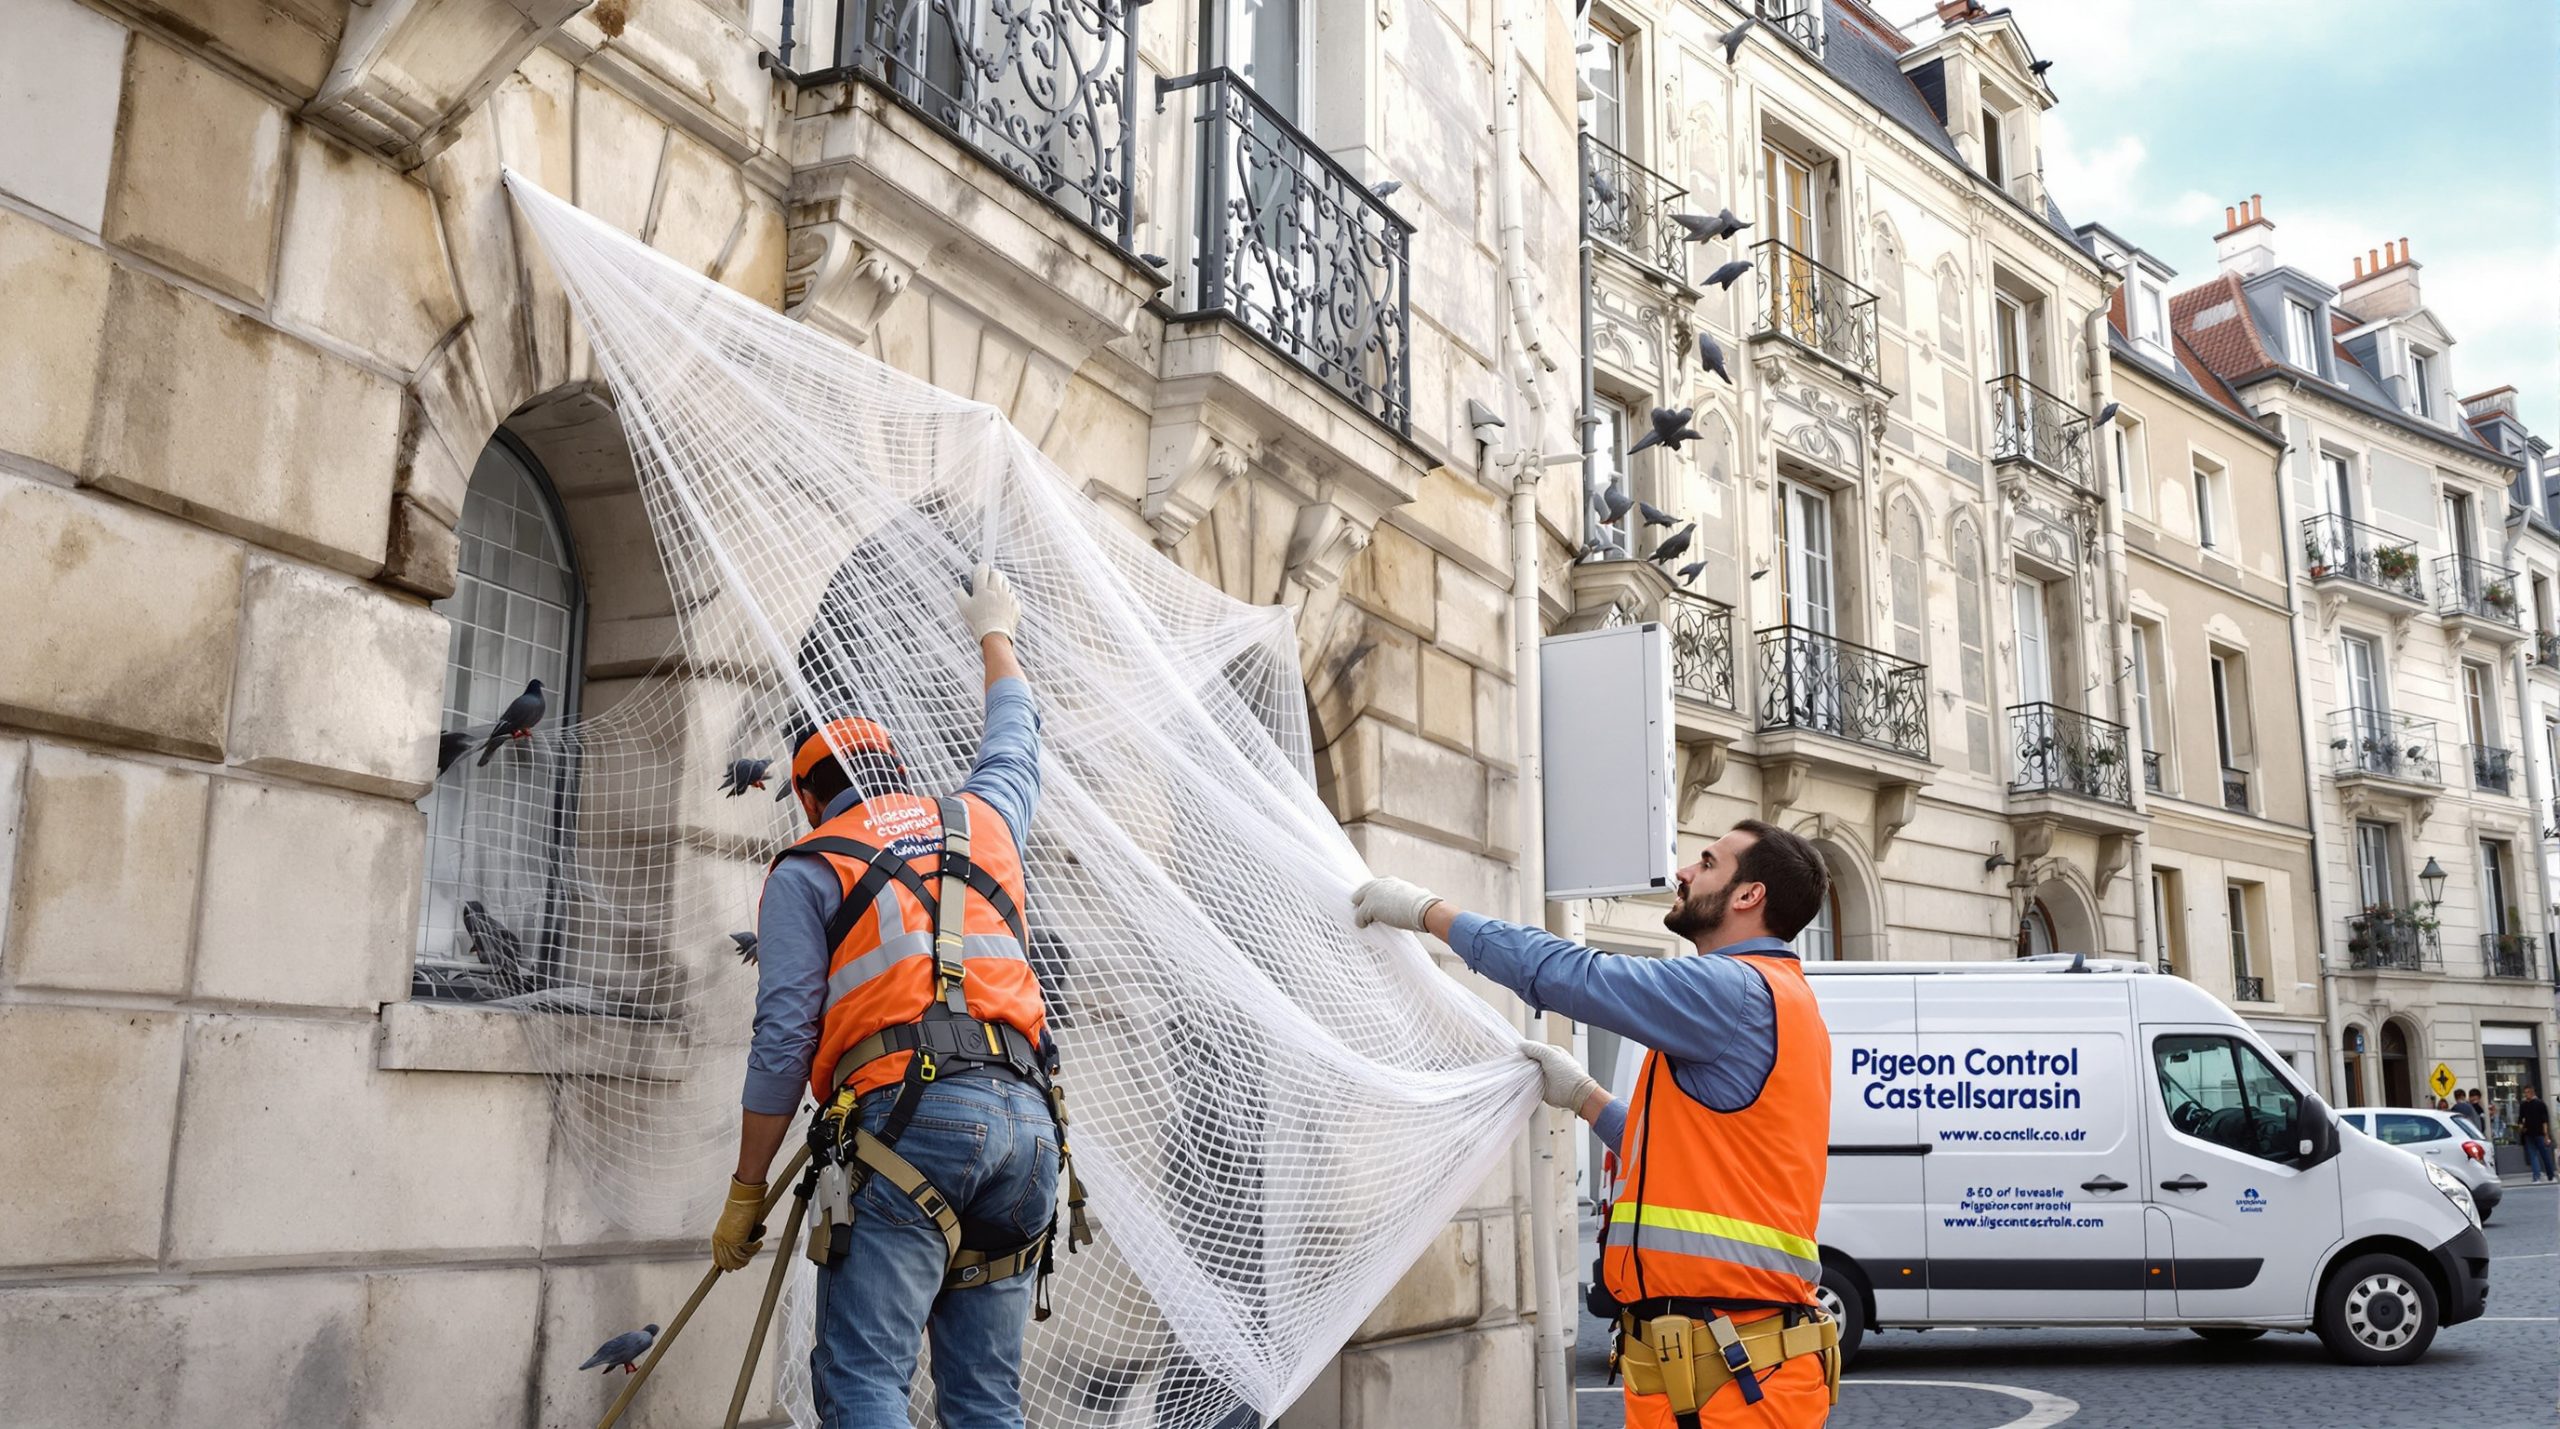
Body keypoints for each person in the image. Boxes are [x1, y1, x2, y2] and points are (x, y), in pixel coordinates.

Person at [715, 565, 1075, 1429]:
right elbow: (1016, 736)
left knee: (862, 1379)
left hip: (911, 1127)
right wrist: (996, 630)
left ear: (806, 797)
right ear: (899, 772)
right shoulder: (983, 820)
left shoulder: (809, 864)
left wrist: (746, 1187)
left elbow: (784, 1035)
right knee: (986, 1399)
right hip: (1029, 1135)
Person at [1351, 820, 1840, 1428]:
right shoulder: (1777, 996)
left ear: (1749, 896)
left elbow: (1572, 974)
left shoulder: (1732, 989)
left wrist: (1430, 912)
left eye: (1708, 863)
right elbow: (1689, 1154)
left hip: (1732, 1381)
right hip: (1724, 1370)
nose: (1684, 872)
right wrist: (1587, 1098)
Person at [2521, 1086, 2555, 1183]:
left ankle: (2550, 1175)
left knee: (2545, 1155)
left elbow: (2544, 1121)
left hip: (2539, 1133)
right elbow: (2521, 1118)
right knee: (2533, 1155)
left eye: (2527, 1092)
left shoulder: (2540, 1104)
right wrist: (2522, 1128)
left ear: (2532, 1093)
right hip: (2529, 1133)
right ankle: (2536, 1176)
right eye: (2525, 1092)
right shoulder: (2524, 1105)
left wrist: (2546, 1134)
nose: (2525, 1095)